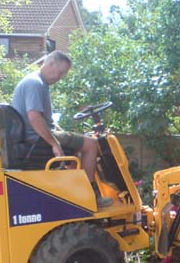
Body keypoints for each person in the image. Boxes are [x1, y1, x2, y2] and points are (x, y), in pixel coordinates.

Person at [11, 50, 113, 208]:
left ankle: (73, 193)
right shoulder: (35, 84)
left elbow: (46, 120)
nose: (60, 77)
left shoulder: (37, 82)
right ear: (51, 63)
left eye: (63, 74)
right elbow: (35, 118)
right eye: (60, 72)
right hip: (36, 138)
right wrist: (54, 144)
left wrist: (60, 133)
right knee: (91, 145)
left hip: (31, 137)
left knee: (78, 148)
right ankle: (90, 196)